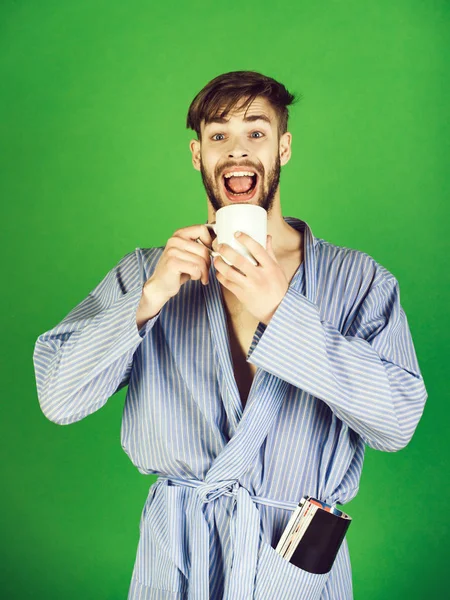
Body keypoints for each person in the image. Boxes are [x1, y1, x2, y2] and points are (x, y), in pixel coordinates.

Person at [33, 71, 428, 600]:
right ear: (198, 155)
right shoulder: (146, 274)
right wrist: (147, 302)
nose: (237, 151)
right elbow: (59, 397)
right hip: (178, 555)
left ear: (283, 148)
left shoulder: (359, 281)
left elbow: (398, 421)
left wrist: (283, 313)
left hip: (292, 556)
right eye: (219, 135)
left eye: (256, 133)